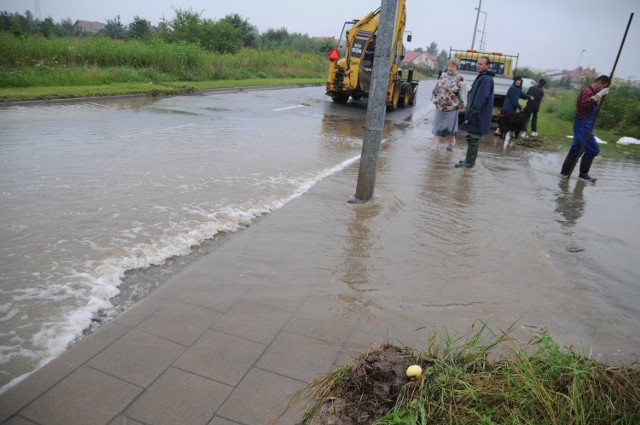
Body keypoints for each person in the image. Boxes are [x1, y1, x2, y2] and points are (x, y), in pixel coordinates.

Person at [560, 75, 610, 181]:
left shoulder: (590, 91)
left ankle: (564, 173)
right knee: (593, 149)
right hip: (583, 125)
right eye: (603, 87)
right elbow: (586, 104)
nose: (602, 89)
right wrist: (600, 95)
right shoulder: (588, 92)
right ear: (599, 83)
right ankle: (582, 174)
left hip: (584, 125)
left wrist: (599, 94)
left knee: (577, 148)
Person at [455, 56, 494, 168]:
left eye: (481, 64)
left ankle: (470, 162)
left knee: (474, 138)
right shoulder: (483, 77)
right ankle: (468, 160)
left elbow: (481, 98)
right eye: (478, 63)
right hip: (476, 112)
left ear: (487, 66)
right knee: (471, 137)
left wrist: (473, 112)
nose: (478, 65)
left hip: (479, 114)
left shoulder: (486, 79)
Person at [431, 58, 467, 150]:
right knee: (437, 127)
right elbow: (436, 89)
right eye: (450, 66)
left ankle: (452, 141)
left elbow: (463, 93)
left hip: (452, 107)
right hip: (440, 106)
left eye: (453, 66)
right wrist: (434, 99)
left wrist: (463, 105)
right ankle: (435, 146)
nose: (451, 68)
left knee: (449, 128)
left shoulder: (460, 79)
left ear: (457, 68)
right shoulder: (442, 76)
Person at [495, 76, 533, 144]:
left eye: (519, 81)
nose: (518, 82)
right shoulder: (513, 89)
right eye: (517, 80)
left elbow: (522, 95)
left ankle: (502, 132)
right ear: (514, 81)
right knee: (505, 121)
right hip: (508, 108)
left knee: (507, 121)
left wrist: (529, 96)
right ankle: (499, 132)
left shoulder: (518, 88)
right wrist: (520, 107)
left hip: (511, 108)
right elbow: (514, 101)